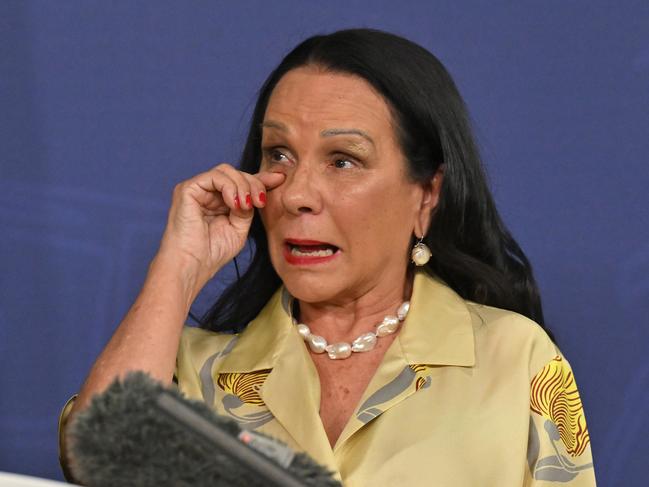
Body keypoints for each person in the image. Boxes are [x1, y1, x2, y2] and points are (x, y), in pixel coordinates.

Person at [59, 29, 596, 486]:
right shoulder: (198, 372)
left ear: (426, 196)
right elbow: (95, 459)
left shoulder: (516, 362)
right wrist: (179, 266)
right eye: (279, 155)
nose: (296, 194)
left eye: (343, 160)